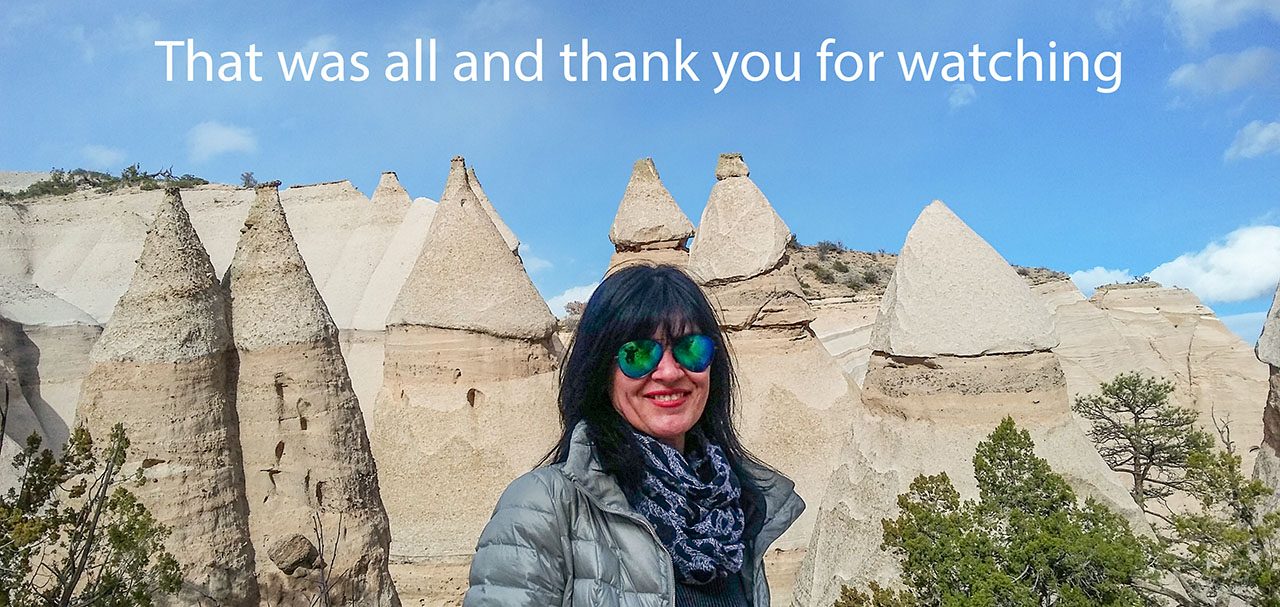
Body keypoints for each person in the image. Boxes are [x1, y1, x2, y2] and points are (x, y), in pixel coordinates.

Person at [463, 264, 804, 607]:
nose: (670, 372)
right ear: (602, 371)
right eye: (638, 354)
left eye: (692, 349)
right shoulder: (544, 506)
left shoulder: (734, 513)